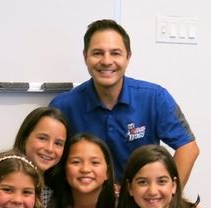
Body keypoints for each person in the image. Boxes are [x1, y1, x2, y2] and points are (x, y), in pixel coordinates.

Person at [50, 19, 199, 184]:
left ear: (128, 57)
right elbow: (48, 157)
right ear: (85, 57)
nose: (106, 61)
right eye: (97, 53)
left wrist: (169, 196)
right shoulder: (63, 106)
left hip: (140, 199)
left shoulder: (155, 98)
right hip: (86, 199)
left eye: (115, 53)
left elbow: (188, 148)